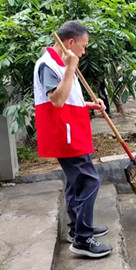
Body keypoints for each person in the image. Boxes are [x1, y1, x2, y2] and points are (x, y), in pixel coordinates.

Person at [33, 21, 112, 258]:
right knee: (89, 181)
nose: (84, 51)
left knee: (74, 182)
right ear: (70, 42)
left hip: (73, 128)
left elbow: (68, 97)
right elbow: (56, 100)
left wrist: (89, 103)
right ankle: (83, 239)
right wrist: (69, 69)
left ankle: (77, 227)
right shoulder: (49, 65)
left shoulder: (62, 63)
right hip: (64, 132)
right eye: (83, 45)